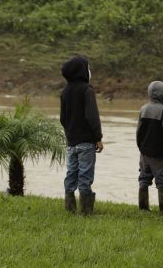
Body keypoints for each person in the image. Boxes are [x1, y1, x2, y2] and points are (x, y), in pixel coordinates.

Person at [60, 55, 103, 215]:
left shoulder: (64, 92)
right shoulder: (87, 90)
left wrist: (70, 133)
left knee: (71, 172)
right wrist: (98, 137)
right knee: (85, 174)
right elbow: (92, 116)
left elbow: (62, 118)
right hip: (86, 142)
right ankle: (86, 211)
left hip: (71, 142)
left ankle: (69, 207)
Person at [136, 81, 163, 214]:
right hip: (159, 152)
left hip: (144, 150)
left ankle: (143, 208)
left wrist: (141, 146)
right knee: (162, 180)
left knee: (144, 178)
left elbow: (139, 131)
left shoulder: (143, 109)